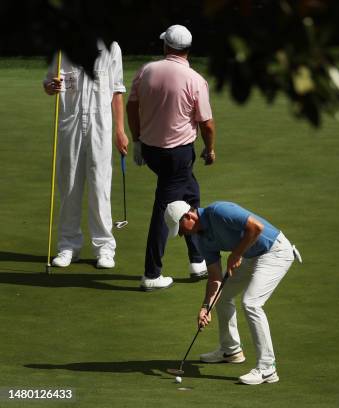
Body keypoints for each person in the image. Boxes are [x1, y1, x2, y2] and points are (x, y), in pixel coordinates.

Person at [164, 200, 302, 385]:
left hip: (275, 251)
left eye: (181, 229)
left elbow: (256, 227)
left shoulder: (219, 211)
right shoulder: (202, 239)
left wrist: (236, 254)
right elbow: (215, 278)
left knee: (251, 303)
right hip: (252, 255)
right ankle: (231, 350)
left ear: (189, 216)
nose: (182, 234)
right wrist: (206, 306)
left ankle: (268, 368)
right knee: (223, 295)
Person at [127, 25, 216, 291]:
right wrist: (209, 149)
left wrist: (137, 139)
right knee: (164, 211)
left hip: (152, 151)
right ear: (187, 50)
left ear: (167, 46)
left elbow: (132, 105)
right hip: (177, 155)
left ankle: (197, 260)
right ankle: (152, 274)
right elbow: (207, 124)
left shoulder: (146, 70)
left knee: (191, 194)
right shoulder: (195, 79)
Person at [43, 40, 128, 269]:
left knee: (100, 185)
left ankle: (105, 248)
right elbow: (48, 84)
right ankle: (68, 245)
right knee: (69, 184)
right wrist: (52, 87)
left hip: (100, 124)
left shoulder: (112, 47)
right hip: (70, 124)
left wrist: (120, 131)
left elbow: (117, 91)